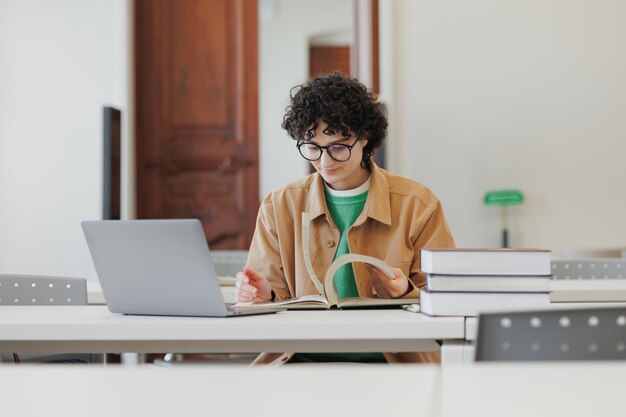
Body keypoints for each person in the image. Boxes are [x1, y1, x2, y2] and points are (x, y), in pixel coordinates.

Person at [235, 72, 455, 364]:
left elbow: (448, 302)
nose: (324, 162)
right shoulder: (280, 205)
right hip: (299, 363)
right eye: (312, 147)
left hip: (393, 367)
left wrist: (405, 292)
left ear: (364, 138)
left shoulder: (417, 205)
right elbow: (262, 309)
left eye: (338, 147)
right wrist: (262, 298)